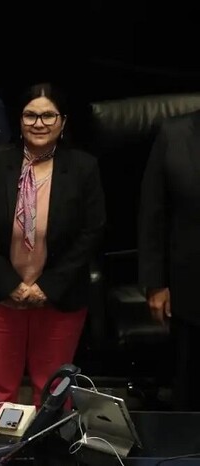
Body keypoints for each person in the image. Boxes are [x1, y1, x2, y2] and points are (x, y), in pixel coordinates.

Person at [0, 82, 106, 412]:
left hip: (58, 295)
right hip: (0, 294)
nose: (39, 123)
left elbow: (92, 232)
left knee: (53, 388)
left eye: (48, 116)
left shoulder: (84, 168)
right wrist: (10, 285)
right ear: (19, 120)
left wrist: (47, 287)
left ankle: (50, 456)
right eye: (30, 115)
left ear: (63, 122)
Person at [138, 110, 200, 411]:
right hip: (190, 289)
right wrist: (155, 283)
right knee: (189, 392)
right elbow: (153, 214)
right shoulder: (173, 134)